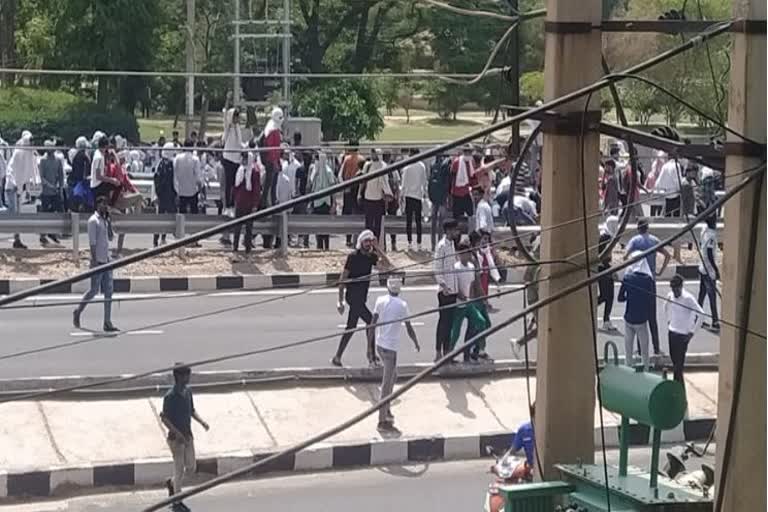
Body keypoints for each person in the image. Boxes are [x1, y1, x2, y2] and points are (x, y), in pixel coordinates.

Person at [332, 229, 391, 367]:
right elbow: (343, 279)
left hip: (361, 297)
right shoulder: (353, 256)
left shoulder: (371, 257)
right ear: (361, 242)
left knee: (351, 327)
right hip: (353, 297)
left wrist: (378, 248)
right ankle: (371, 357)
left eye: (370, 241)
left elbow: (388, 266)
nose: (368, 243)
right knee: (371, 322)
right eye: (366, 241)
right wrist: (340, 301)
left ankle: (337, 357)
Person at [371, 277, 420, 432]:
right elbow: (409, 328)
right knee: (386, 385)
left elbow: (372, 325)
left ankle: (387, 408)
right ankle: (382, 421)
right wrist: (415, 342)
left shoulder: (380, 301)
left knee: (394, 376)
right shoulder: (403, 306)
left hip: (380, 345)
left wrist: (368, 348)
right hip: (391, 349)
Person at [160, 364, 209, 512]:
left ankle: (172, 483)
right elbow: (165, 419)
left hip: (188, 436)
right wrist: (177, 433)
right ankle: (177, 501)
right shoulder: (170, 397)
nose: (188, 378)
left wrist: (202, 422)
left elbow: (192, 410)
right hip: (176, 440)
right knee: (179, 469)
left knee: (191, 467)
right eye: (186, 375)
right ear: (179, 377)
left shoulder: (188, 392)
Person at [625, 217, 671, 356]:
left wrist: (631, 268)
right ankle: (656, 348)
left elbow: (625, 257)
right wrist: (660, 271)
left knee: (640, 316)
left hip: (637, 280)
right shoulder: (654, 240)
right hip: (651, 281)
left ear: (638, 228)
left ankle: (640, 350)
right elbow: (668, 255)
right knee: (652, 317)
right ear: (648, 228)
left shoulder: (634, 241)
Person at [72, 196, 118, 332]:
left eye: (106, 204)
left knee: (109, 291)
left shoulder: (104, 220)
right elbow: (92, 243)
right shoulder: (93, 221)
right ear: (98, 205)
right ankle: (78, 311)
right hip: (98, 261)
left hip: (107, 260)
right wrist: (94, 260)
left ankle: (107, 322)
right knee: (93, 290)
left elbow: (110, 237)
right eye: (103, 204)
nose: (105, 207)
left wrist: (109, 222)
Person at [450, 238, 491, 363]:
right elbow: (454, 285)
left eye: (468, 253)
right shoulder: (455, 268)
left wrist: (483, 300)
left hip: (469, 303)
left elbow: (475, 285)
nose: (467, 256)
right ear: (459, 254)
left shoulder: (472, 266)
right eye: (464, 253)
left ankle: (472, 352)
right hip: (458, 304)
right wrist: (461, 295)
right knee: (455, 331)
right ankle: (449, 355)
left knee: (481, 322)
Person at [665, 275, 705, 392]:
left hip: (683, 336)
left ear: (681, 287)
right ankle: (677, 389)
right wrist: (669, 321)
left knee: (678, 366)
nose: (675, 292)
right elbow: (665, 307)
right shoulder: (670, 295)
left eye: (676, 289)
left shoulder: (688, 299)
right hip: (672, 332)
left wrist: (692, 332)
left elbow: (701, 314)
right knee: (674, 362)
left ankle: (678, 390)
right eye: (673, 289)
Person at [618, 252, 655, 371]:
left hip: (628, 318)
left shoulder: (627, 278)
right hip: (641, 320)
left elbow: (620, 298)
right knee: (644, 350)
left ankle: (629, 372)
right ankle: (646, 371)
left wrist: (630, 297)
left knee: (628, 349)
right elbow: (650, 300)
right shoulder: (648, 280)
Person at [5, 130, 39, 249]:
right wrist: (14, 183)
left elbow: (30, 171)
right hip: (11, 187)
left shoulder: (29, 154)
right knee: (12, 213)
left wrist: (28, 185)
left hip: (19, 189)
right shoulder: (18, 152)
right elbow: (10, 170)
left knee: (17, 215)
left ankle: (17, 240)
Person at [433, 218, 460, 362]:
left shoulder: (453, 245)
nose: (457, 232)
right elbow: (437, 268)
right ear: (449, 231)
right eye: (455, 229)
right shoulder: (442, 246)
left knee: (450, 323)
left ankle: (447, 353)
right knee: (443, 322)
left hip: (453, 289)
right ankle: (438, 352)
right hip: (445, 291)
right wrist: (443, 286)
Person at [232, 152, 262, 257]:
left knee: (248, 229)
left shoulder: (253, 171)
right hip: (241, 203)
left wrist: (255, 204)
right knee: (238, 228)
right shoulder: (241, 170)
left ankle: (247, 250)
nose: (243, 160)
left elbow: (256, 189)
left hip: (248, 204)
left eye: (245, 158)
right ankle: (236, 249)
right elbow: (236, 186)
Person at [359, 149, 392, 241]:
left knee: (378, 225)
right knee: (368, 224)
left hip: (379, 199)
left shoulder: (383, 166)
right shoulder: (367, 165)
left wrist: (387, 196)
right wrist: (359, 194)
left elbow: (385, 183)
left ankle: (377, 244)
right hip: (368, 198)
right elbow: (363, 181)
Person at [37, 139, 65, 246]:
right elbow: (41, 177)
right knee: (45, 213)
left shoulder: (58, 160)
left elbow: (61, 174)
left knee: (57, 212)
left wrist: (60, 187)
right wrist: (50, 186)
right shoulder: (43, 160)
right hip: (46, 192)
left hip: (55, 192)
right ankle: (43, 235)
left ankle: (53, 232)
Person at [401, 148, 427, 251]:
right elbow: (424, 181)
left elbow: (403, 183)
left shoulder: (407, 166)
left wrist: (402, 195)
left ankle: (409, 242)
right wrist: (425, 193)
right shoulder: (421, 166)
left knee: (409, 221)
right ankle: (419, 243)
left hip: (409, 196)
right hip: (417, 196)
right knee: (418, 221)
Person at [309, 152, 337, 251]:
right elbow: (312, 187)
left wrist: (334, 203)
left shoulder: (329, 172)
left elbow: (333, 188)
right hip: (317, 203)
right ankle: (319, 246)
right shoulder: (315, 171)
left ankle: (327, 247)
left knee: (326, 226)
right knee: (318, 226)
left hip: (326, 203)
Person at [597, 215, 620, 333]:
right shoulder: (605, 237)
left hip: (602, 268)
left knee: (606, 296)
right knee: (607, 296)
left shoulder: (604, 234)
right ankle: (605, 321)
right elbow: (604, 256)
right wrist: (612, 271)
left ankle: (606, 320)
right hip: (603, 269)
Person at [697, 216, 720, 332]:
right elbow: (710, 254)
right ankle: (715, 321)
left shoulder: (703, 229)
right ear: (713, 223)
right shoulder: (711, 235)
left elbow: (701, 243)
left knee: (701, 294)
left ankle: (697, 318)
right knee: (712, 296)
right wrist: (716, 269)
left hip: (702, 266)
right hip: (708, 269)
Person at [222, 105, 244, 218]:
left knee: (236, 183)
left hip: (236, 159)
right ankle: (227, 207)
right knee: (228, 183)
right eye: (235, 116)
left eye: (238, 116)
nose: (237, 118)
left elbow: (240, 143)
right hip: (228, 158)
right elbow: (225, 114)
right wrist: (227, 102)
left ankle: (234, 205)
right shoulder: (228, 127)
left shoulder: (238, 127)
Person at [153, 143, 177, 247]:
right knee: (172, 218)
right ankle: (164, 238)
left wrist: (156, 195)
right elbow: (174, 181)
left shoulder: (160, 164)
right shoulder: (171, 165)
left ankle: (156, 240)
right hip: (170, 195)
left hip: (161, 195)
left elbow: (155, 180)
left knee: (160, 219)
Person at [260, 106, 284, 208]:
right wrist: (274, 162)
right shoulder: (272, 130)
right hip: (271, 161)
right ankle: (264, 204)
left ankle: (271, 203)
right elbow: (272, 148)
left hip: (273, 160)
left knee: (271, 184)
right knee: (269, 184)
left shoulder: (272, 127)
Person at [340, 147, 364, 247]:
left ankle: (348, 238)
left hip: (348, 189)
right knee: (358, 213)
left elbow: (342, 174)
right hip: (358, 189)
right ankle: (358, 238)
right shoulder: (361, 159)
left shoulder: (347, 159)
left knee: (348, 213)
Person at [428, 154, 451, 251]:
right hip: (438, 198)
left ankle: (437, 244)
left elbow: (446, 182)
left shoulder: (440, 165)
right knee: (437, 222)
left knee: (439, 222)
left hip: (439, 197)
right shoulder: (436, 165)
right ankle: (435, 244)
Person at [174, 141, 203, 215]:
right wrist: (200, 190)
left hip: (181, 191)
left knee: (181, 214)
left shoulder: (177, 158)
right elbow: (198, 178)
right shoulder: (195, 159)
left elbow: (175, 174)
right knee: (194, 214)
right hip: (193, 191)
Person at [90, 135, 121, 202]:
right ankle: (112, 204)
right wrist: (112, 180)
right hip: (97, 185)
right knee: (118, 185)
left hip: (98, 184)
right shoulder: (99, 158)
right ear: (106, 146)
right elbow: (98, 176)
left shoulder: (98, 153)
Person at [449, 146, 475, 220]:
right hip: (457, 193)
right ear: (464, 153)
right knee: (457, 216)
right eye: (468, 153)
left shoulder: (470, 162)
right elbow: (452, 176)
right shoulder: (457, 162)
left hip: (466, 192)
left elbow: (472, 176)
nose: (469, 155)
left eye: (470, 153)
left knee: (471, 213)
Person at [68, 136, 91, 211]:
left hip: (77, 181)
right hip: (81, 182)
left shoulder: (77, 156)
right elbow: (84, 171)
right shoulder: (84, 156)